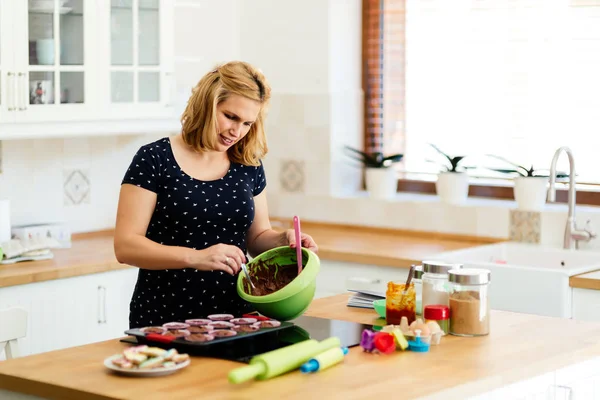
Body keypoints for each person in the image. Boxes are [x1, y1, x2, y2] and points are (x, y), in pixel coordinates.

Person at [114, 61, 318, 329]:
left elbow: (256, 238)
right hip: (166, 317)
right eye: (230, 117)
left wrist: (284, 239)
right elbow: (126, 246)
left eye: (247, 123)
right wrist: (196, 256)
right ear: (207, 104)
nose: (237, 131)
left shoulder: (248, 163)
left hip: (236, 317)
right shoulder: (155, 158)